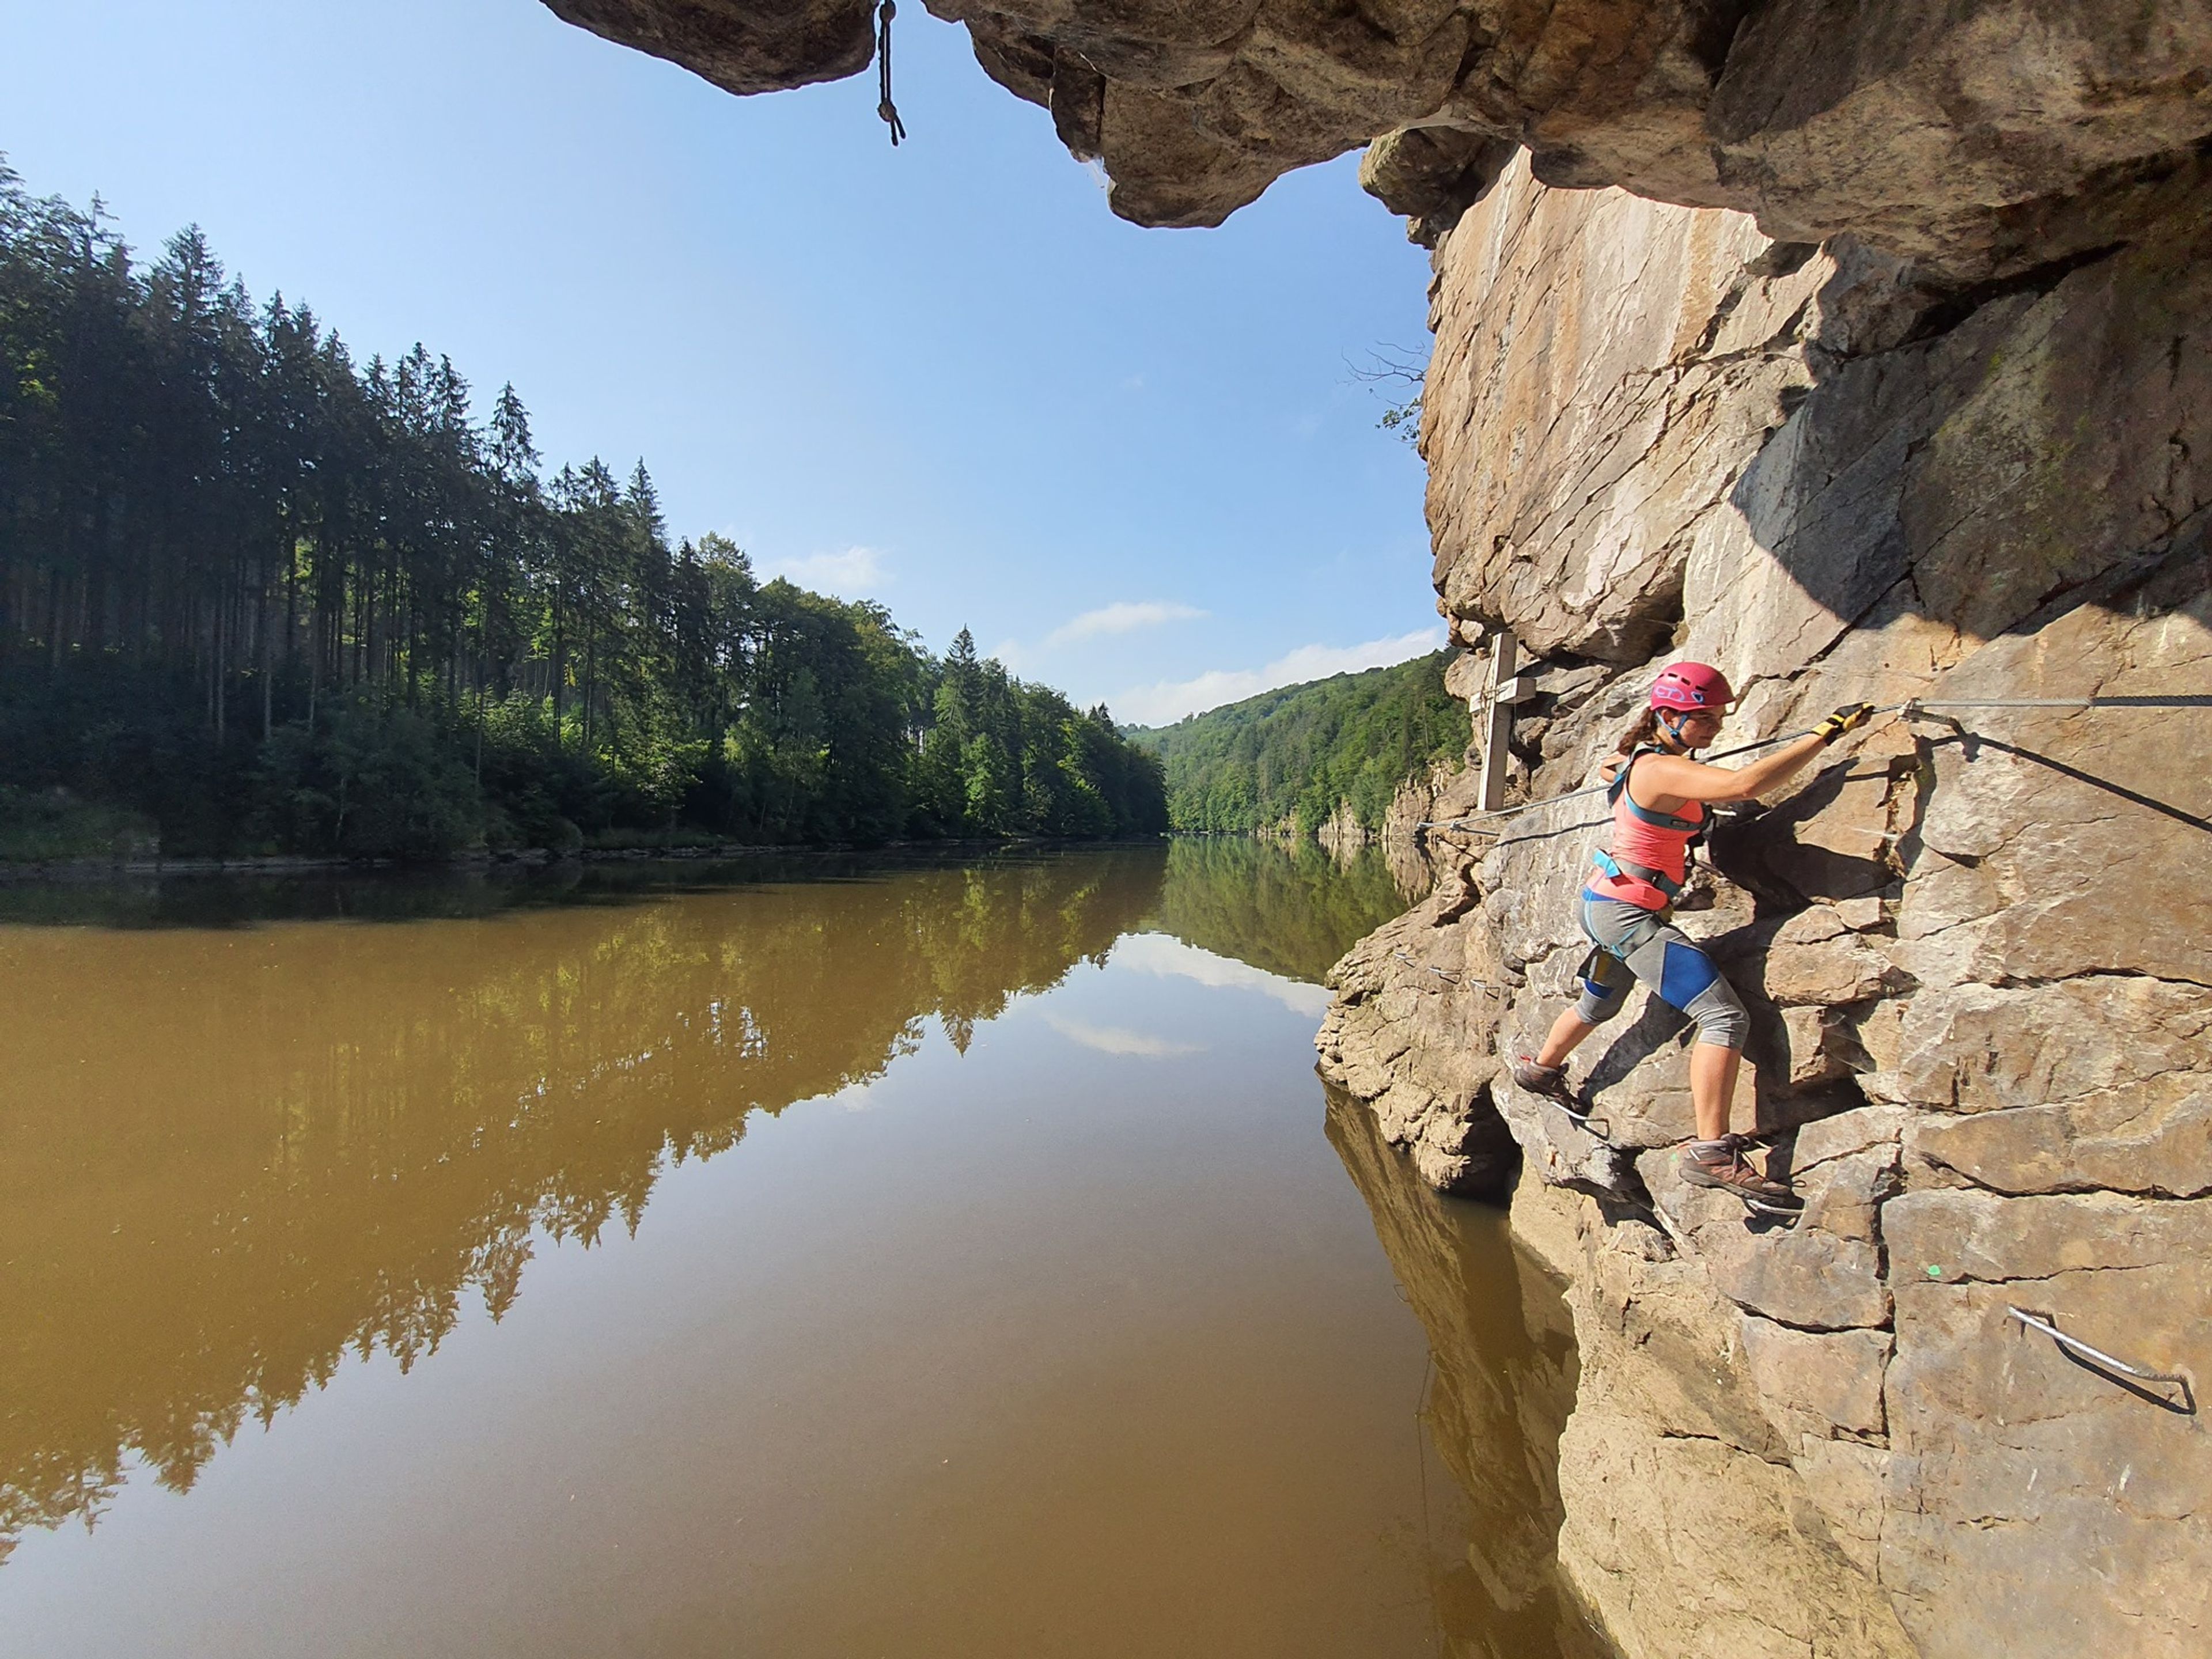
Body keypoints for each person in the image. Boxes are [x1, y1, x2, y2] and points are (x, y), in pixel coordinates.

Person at [1507, 662, 1872, 1210]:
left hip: (1608, 903)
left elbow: (1619, 763)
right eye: (1704, 718)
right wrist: (1826, 734)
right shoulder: (1656, 769)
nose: (1716, 727)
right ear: (1668, 716)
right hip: (1627, 914)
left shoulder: (1643, 761)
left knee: (1599, 1004)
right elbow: (1743, 785)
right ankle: (1711, 1152)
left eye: (1719, 717)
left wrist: (1630, 763)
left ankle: (1541, 1070)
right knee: (1724, 1017)